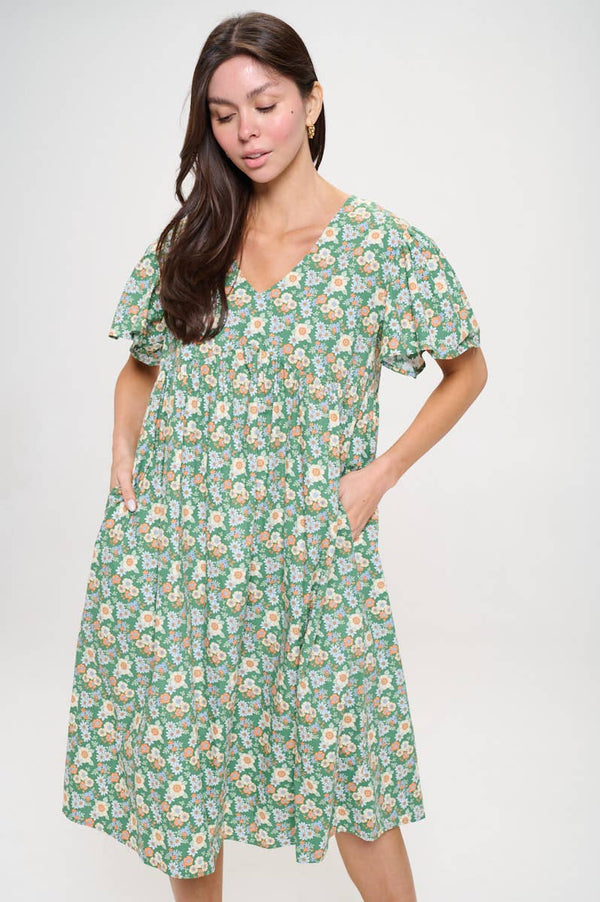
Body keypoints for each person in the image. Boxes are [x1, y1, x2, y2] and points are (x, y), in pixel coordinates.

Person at [61, 11, 487, 902]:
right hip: (180, 555)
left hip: (310, 552)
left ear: (312, 102)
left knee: (355, 773)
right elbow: (140, 365)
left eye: (265, 104)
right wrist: (124, 452)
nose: (245, 131)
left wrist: (378, 476)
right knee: (185, 780)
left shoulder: (378, 247)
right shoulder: (197, 238)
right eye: (222, 115)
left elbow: (467, 368)